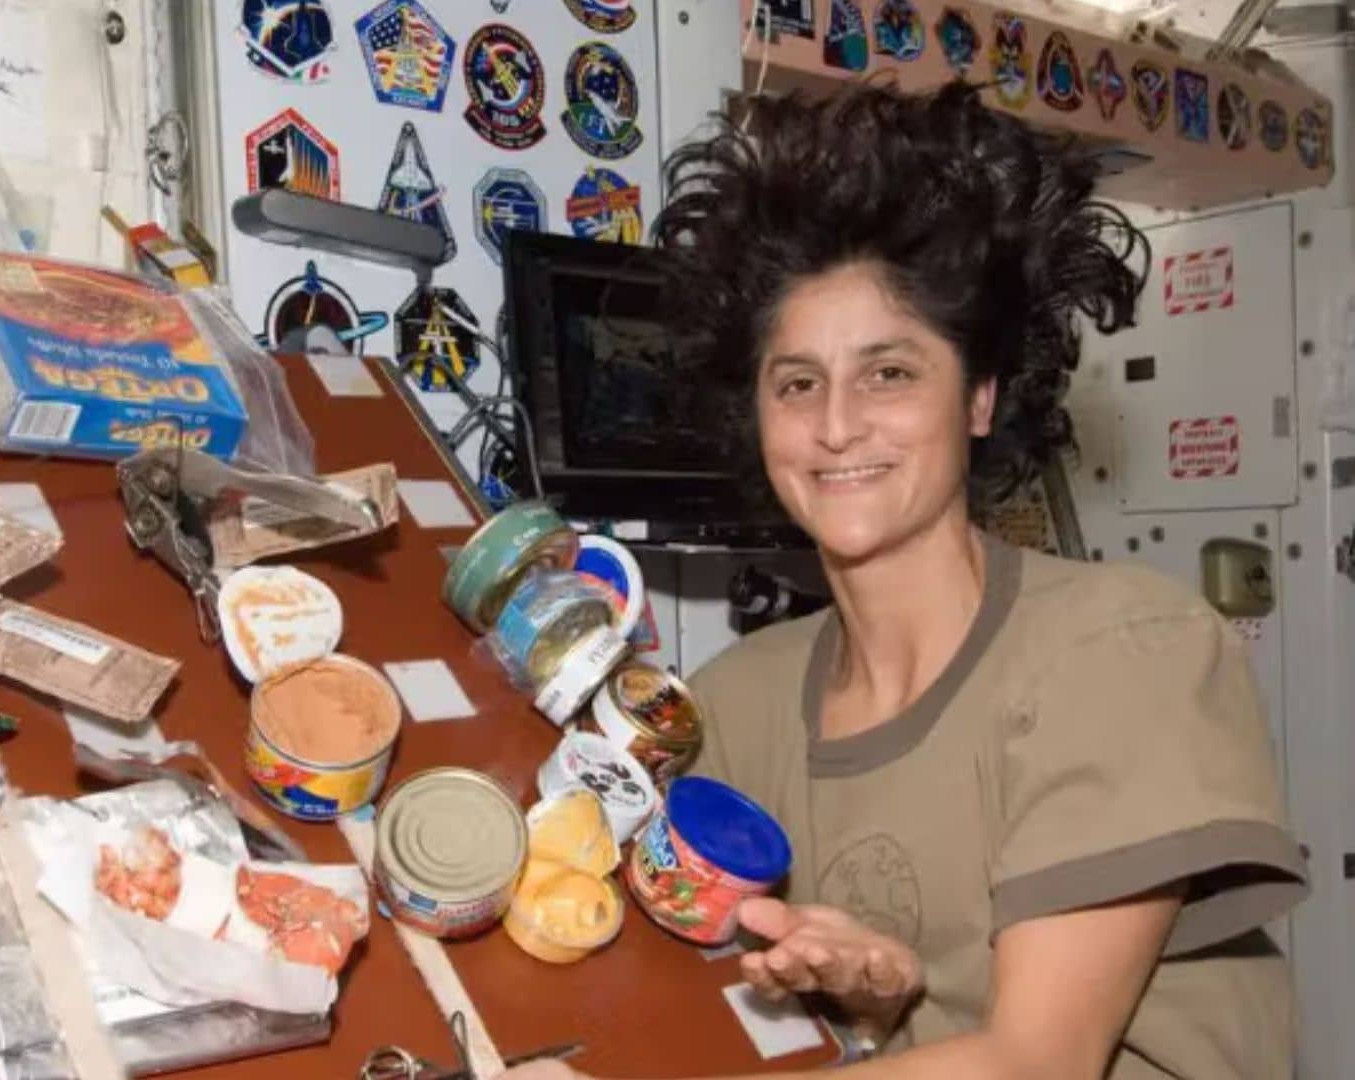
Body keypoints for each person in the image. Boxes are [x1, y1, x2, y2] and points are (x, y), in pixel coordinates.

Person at [503, 82, 1307, 1079]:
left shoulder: (1124, 653)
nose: (837, 425)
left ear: (979, 398)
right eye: (798, 383)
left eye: (889, 373)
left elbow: (1036, 1063)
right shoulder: (736, 705)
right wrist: (871, 1005)